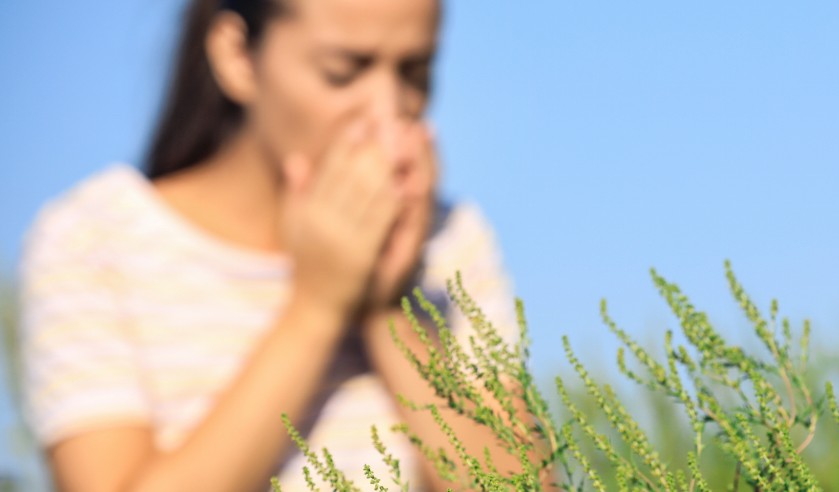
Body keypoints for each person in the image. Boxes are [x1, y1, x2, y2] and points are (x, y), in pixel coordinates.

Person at [16, 0, 530, 490]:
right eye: (343, 73)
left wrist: (387, 310)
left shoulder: (450, 242)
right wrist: (317, 306)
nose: (387, 114)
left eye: (415, 75)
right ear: (237, 56)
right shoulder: (94, 241)